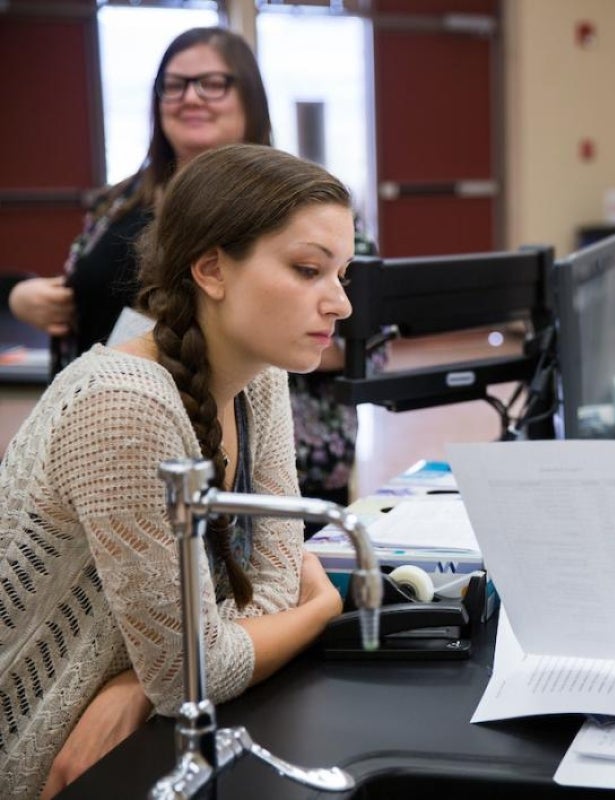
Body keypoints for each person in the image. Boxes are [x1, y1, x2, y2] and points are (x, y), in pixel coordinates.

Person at [0, 143, 353, 799]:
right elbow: (199, 667)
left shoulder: (260, 370)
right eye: (309, 270)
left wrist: (150, 675)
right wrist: (325, 606)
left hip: (140, 731)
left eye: (342, 275)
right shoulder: (122, 408)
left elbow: (265, 586)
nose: (340, 305)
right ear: (212, 269)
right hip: (45, 760)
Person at [6, 25, 372, 524]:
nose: (190, 97)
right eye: (174, 85)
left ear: (250, 96)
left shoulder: (309, 206)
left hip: (259, 443)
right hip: (129, 429)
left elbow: (363, 331)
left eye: (212, 83)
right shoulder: (118, 203)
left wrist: (262, 337)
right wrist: (26, 294)